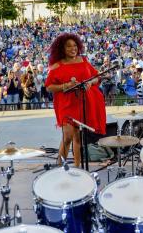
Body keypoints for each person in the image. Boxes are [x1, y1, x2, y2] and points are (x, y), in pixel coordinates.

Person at [45, 33, 106, 167]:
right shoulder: (56, 66)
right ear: (62, 49)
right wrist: (65, 85)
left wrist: (90, 82)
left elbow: (97, 78)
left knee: (77, 138)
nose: (73, 49)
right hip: (66, 104)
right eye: (68, 46)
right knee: (67, 136)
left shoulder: (83, 61)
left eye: (74, 46)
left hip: (81, 103)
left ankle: (77, 168)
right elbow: (49, 87)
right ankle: (60, 166)